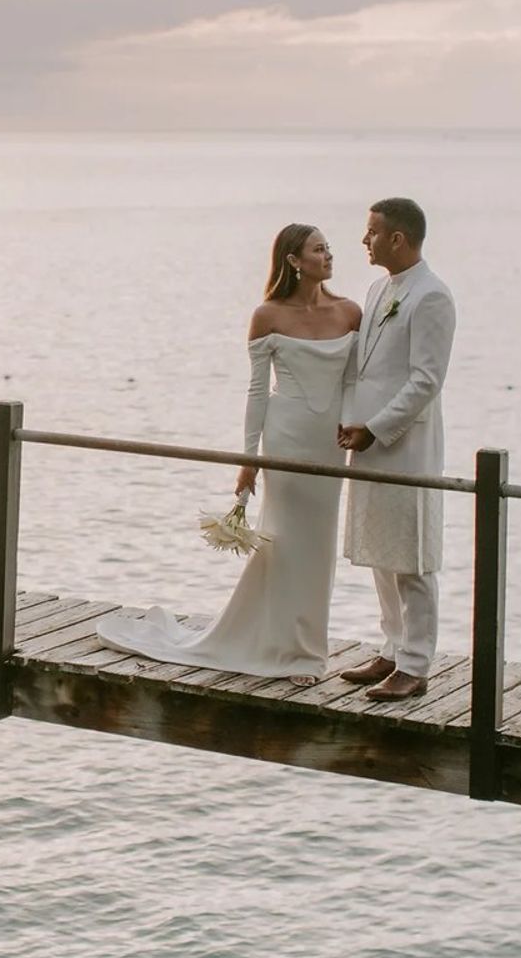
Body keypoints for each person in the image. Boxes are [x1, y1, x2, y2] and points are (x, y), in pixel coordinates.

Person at [96, 224, 362, 678]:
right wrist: (249, 461)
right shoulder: (268, 315)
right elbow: (258, 393)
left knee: (318, 545)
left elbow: (353, 380)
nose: (329, 256)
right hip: (286, 439)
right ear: (294, 260)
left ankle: (307, 646)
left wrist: (352, 425)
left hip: (328, 445)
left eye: (328, 249)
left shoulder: (351, 312)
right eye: (319, 250)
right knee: (287, 542)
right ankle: (288, 648)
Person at [331, 198, 457, 701]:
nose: (365, 240)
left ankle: (416, 664)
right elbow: (361, 366)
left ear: (398, 239)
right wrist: (348, 420)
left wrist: (377, 428)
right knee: (381, 550)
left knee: (411, 555)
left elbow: (426, 380)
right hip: (367, 438)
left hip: (405, 444)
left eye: (372, 232)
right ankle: (392, 645)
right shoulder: (378, 287)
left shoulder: (433, 296)